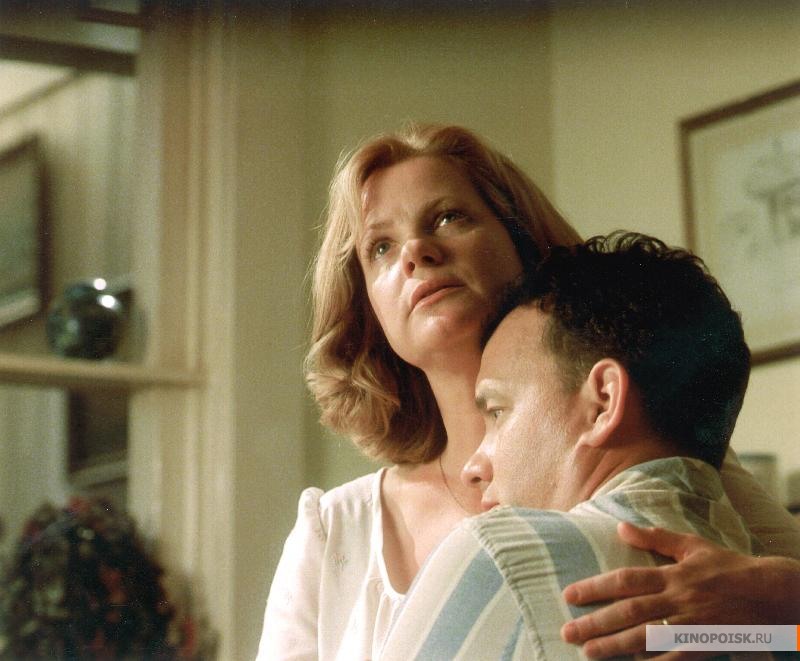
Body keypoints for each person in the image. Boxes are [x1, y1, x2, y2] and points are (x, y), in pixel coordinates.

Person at [256, 125, 800, 660]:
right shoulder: (333, 533)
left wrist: (774, 604)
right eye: (380, 247)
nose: (416, 251)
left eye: (448, 217)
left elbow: (780, 641)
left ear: (519, 238)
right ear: (367, 306)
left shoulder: (670, 462)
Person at [379, 232, 787, 660]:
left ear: (604, 402)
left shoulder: (498, 556)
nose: (472, 467)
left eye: (497, 411)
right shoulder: (777, 616)